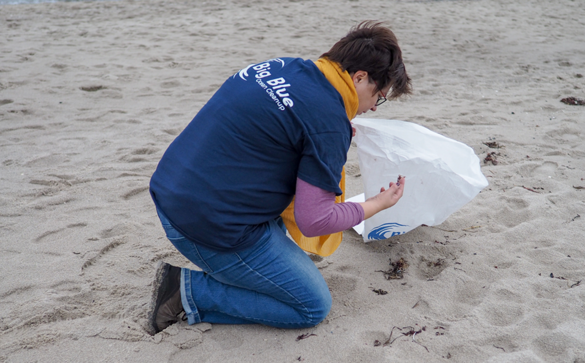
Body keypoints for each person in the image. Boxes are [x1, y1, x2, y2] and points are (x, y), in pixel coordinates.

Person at [147, 21, 412, 335]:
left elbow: (278, 126)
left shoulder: (282, 66)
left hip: (171, 191)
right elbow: (315, 220)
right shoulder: (326, 121)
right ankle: (187, 292)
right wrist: (375, 205)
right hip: (208, 227)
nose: (373, 107)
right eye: (378, 96)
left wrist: (324, 136)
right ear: (359, 77)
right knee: (312, 305)